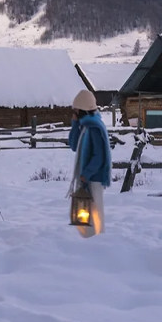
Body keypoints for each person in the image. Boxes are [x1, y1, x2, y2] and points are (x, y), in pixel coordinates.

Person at [68, 89, 112, 237]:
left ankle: (97, 238)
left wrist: (86, 174)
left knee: (95, 210)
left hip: (94, 177)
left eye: (76, 110)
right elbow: (74, 145)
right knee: (86, 210)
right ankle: (87, 237)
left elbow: (98, 156)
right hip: (86, 176)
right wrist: (74, 124)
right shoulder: (85, 126)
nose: (74, 113)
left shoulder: (94, 128)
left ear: (83, 109)